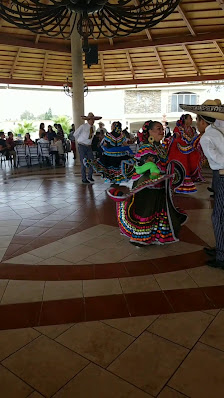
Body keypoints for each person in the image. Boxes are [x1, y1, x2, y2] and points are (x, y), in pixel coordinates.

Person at [108, 120, 187, 246]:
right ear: (150, 131)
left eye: (162, 128)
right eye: (158, 128)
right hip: (147, 186)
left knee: (158, 209)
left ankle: (156, 235)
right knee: (147, 210)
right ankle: (142, 236)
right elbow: (147, 165)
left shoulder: (160, 147)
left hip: (159, 184)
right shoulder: (146, 147)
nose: (161, 131)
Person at [180, 99, 224, 269]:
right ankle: (221, 248)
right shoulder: (219, 129)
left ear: (203, 121)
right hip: (219, 175)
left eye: (197, 120)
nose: (196, 124)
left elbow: (218, 160)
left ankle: (221, 256)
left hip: (222, 176)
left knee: (218, 217)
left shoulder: (207, 137)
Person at [165, 114, 203, 194]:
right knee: (182, 165)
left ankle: (188, 178)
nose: (191, 120)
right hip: (178, 151)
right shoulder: (178, 128)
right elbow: (177, 137)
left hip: (188, 150)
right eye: (190, 118)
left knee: (192, 161)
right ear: (185, 120)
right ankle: (179, 183)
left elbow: (194, 139)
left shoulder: (192, 129)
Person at [74, 112, 102, 184]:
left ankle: (90, 176)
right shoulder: (83, 126)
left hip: (89, 146)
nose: (93, 121)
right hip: (82, 145)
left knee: (92, 161)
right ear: (88, 120)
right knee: (83, 162)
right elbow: (75, 134)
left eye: (93, 120)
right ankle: (84, 178)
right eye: (91, 119)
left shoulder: (94, 127)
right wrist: (80, 140)